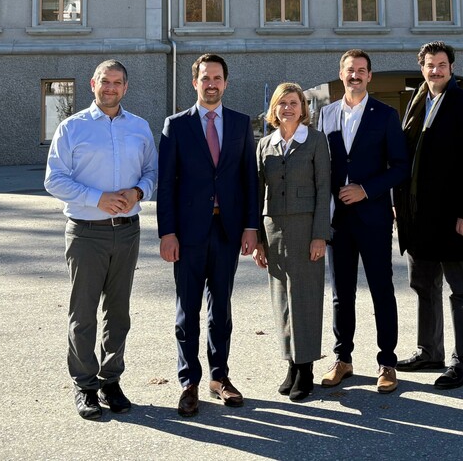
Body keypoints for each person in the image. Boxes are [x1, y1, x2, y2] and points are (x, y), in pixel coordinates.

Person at [43, 60, 157, 420]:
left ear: (126, 87)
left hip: (127, 231)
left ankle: (111, 380)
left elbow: (153, 172)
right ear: (93, 84)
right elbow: (54, 180)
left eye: (117, 83)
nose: (111, 88)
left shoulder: (139, 128)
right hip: (86, 232)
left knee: (118, 313)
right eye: (105, 82)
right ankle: (85, 385)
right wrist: (97, 198)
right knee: (83, 314)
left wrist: (139, 191)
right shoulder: (72, 128)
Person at [157, 53, 260, 418]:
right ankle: (189, 382)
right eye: (205, 78)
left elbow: (250, 178)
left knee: (222, 308)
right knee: (188, 309)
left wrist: (252, 227)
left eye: (217, 77)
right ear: (194, 82)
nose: (211, 83)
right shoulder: (176, 125)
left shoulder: (240, 123)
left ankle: (220, 377)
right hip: (187, 234)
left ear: (226, 82)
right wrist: (167, 232)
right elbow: (166, 185)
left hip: (228, 231)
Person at [395, 42, 463, 390]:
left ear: (451, 67)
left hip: (455, 218)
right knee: (423, 285)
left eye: (441, 65)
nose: (435, 70)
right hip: (418, 216)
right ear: (421, 68)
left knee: (461, 289)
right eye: (429, 65)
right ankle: (429, 351)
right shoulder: (418, 100)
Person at [318, 50, 409, 394]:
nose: (354, 76)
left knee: (381, 289)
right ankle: (343, 358)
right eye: (349, 70)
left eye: (361, 71)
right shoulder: (325, 114)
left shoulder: (386, 115)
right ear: (340, 74)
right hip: (337, 221)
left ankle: (387, 362)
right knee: (341, 294)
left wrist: (366, 190)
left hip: (373, 217)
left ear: (370, 76)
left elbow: (401, 167)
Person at [252, 83, 331, 401]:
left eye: (294, 103)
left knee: (306, 298)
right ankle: (291, 364)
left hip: (305, 228)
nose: (288, 108)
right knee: (282, 300)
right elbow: (258, 194)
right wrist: (258, 239)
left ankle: (306, 369)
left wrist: (320, 235)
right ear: (274, 108)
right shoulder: (265, 144)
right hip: (274, 229)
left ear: (303, 108)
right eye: (282, 103)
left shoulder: (315, 140)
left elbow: (324, 189)